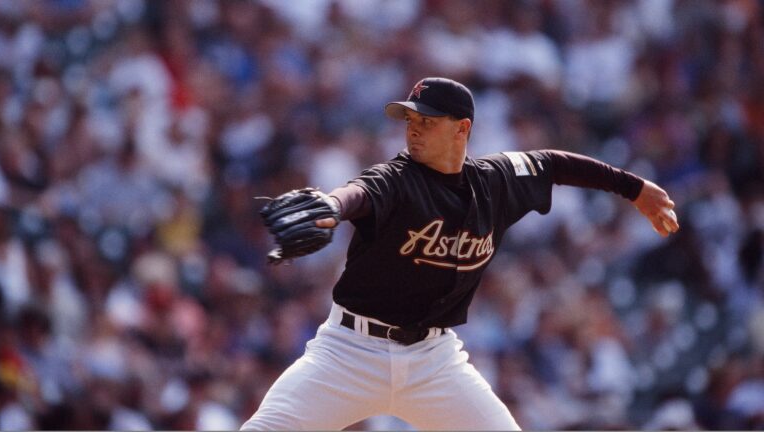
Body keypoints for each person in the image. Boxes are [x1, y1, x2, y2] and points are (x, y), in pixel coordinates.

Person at [241, 77, 679, 430]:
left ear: (462, 128)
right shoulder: (397, 177)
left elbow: (554, 163)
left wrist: (634, 188)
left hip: (434, 361)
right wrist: (334, 207)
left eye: (427, 120)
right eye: (409, 118)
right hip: (349, 352)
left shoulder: (496, 181)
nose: (413, 127)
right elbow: (359, 193)